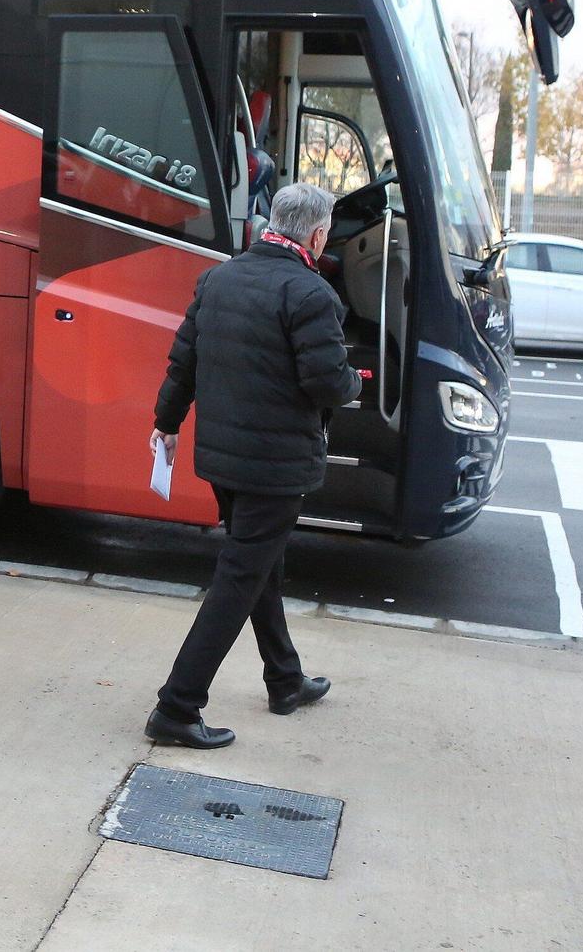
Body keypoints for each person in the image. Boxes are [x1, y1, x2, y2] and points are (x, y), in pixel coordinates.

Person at [144, 182, 363, 750]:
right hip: (276, 465)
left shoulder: (219, 279)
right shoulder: (310, 295)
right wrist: (353, 381)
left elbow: (183, 362)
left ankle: (284, 680)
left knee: (258, 565)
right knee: (240, 577)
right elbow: (325, 384)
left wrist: (165, 423)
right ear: (317, 235)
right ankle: (177, 706)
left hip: (222, 459)